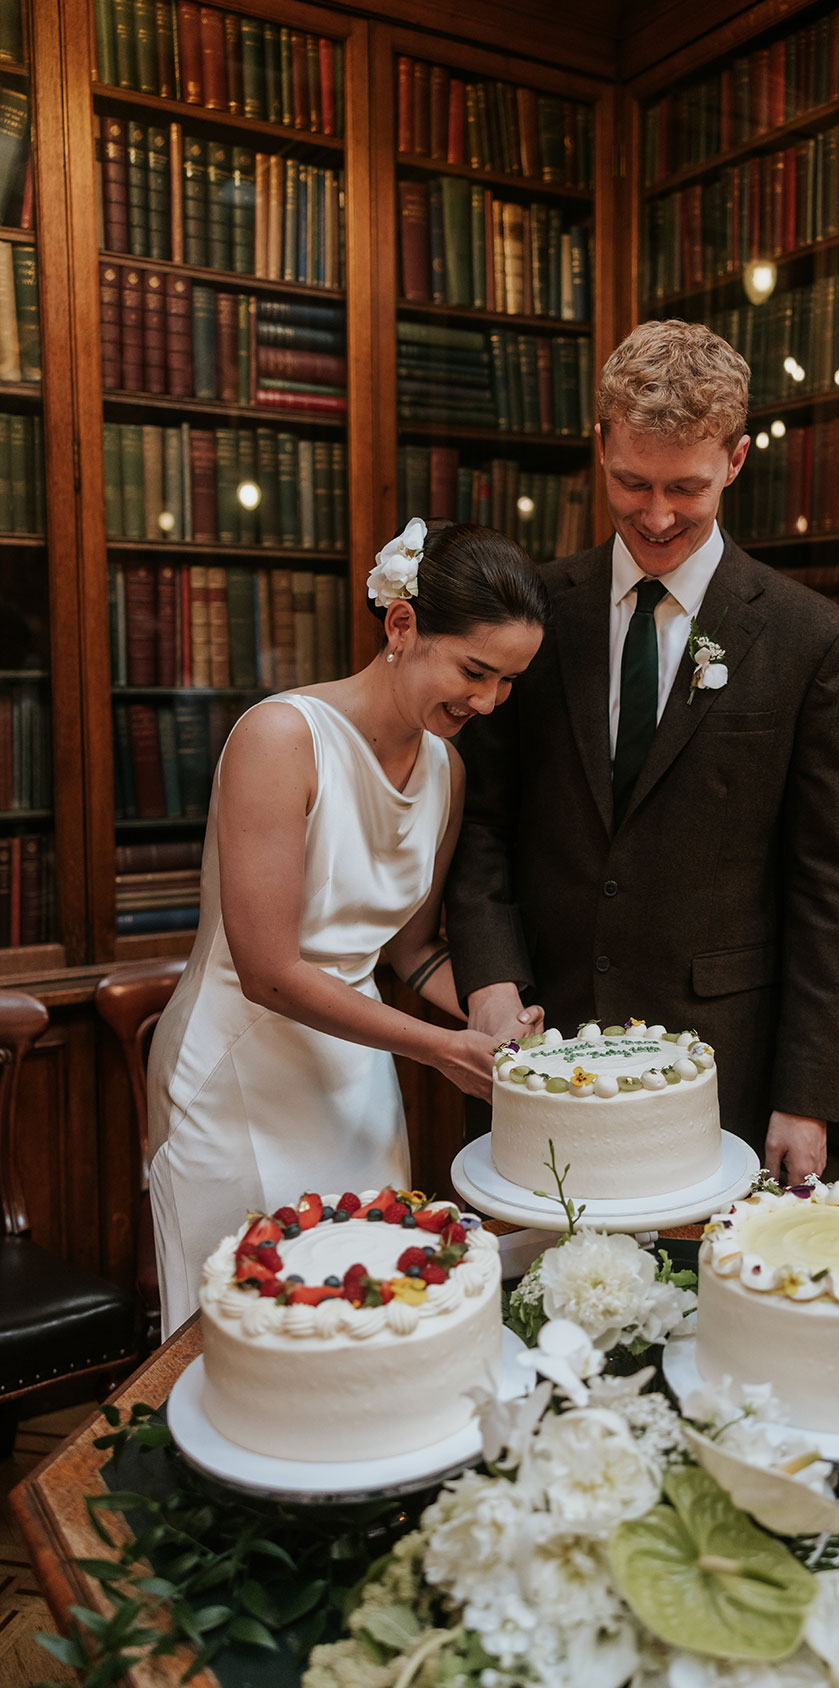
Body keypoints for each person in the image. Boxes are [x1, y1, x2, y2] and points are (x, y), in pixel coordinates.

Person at [445, 321, 839, 1182]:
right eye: (631, 482)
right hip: (537, 1044)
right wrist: (488, 978)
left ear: (737, 460)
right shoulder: (540, 614)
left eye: (688, 486)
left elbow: (830, 883)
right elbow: (483, 820)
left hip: (721, 1060)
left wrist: (807, 1094)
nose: (657, 514)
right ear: (600, 445)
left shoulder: (809, 639)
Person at [147, 519, 548, 1333]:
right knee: (241, 1335)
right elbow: (267, 969)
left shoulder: (447, 769)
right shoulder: (280, 737)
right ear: (402, 625)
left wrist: (489, 1016)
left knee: (364, 1322)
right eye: (475, 670)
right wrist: (440, 1049)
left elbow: (407, 948)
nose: (487, 702)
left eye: (508, 683)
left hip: (357, 1084)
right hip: (238, 1079)